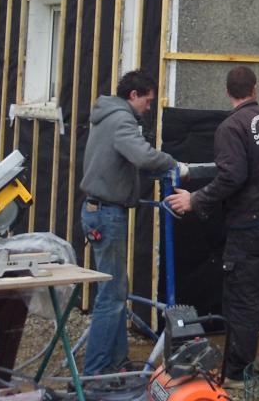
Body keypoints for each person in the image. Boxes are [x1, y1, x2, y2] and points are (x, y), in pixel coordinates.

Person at [168, 66, 259, 389]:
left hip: (251, 225)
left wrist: (195, 199)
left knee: (243, 300)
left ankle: (238, 373)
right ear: (255, 88)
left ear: (228, 92)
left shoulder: (230, 128)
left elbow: (232, 176)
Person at [79, 70, 187, 377]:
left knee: (115, 291)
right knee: (111, 296)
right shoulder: (122, 120)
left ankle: (116, 365)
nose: (148, 108)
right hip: (106, 212)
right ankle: (95, 373)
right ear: (133, 95)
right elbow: (143, 157)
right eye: (147, 101)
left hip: (98, 210)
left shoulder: (106, 115)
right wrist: (174, 164)